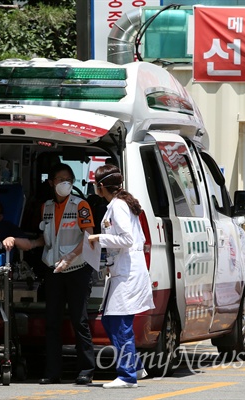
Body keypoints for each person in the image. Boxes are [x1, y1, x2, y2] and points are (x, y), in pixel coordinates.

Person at [87, 164, 155, 389]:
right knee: (110, 319)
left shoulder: (118, 206)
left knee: (120, 322)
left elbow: (127, 239)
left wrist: (99, 238)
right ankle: (134, 366)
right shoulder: (119, 204)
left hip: (128, 272)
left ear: (101, 186)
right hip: (123, 269)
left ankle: (127, 376)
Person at [34, 163, 96, 385]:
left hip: (77, 270)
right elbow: (47, 239)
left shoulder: (81, 205)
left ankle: (86, 370)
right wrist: (27, 243)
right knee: (52, 322)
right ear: (51, 183)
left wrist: (69, 258)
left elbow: (89, 237)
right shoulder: (46, 207)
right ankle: (53, 372)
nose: (65, 183)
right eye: (60, 179)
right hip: (54, 271)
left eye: (68, 179)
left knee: (79, 321)